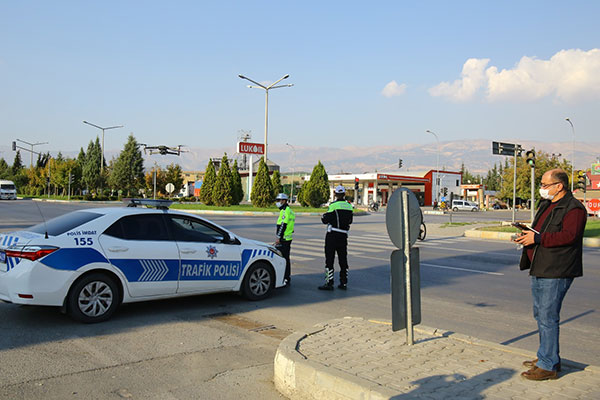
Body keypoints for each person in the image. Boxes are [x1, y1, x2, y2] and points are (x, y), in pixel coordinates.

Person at [514, 168, 587, 381]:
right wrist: (527, 235)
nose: (542, 189)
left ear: (559, 186)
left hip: (557, 269)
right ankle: (547, 356)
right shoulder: (547, 204)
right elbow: (541, 232)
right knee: (541, 315)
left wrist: (537, 240)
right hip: (540, 266)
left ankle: (548, 366)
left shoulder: (574, 209)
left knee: (548, 316)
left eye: (545, 185)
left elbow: (569, 236)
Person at [318, 185, 353, 290]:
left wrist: (324, 217)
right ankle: (344, 282)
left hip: (332, 234)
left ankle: (329, 283)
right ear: (344, 194)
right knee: (343, 259)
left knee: (329, 259)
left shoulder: (333, 205)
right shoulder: (349, 206)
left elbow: (325, 219)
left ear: (336, 194)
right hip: (343, 235)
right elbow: (350, 221)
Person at [275, 193, 295, 287]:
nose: (278, 203)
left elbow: (283, 225)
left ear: (283, 201)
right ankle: (286, 277)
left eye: (279, 201)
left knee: (283, 259)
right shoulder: (290, 211)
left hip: (284, 239)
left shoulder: (284, 211)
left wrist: (278, 237)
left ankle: (285, 278)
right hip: (288, 237)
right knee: (286, 258)